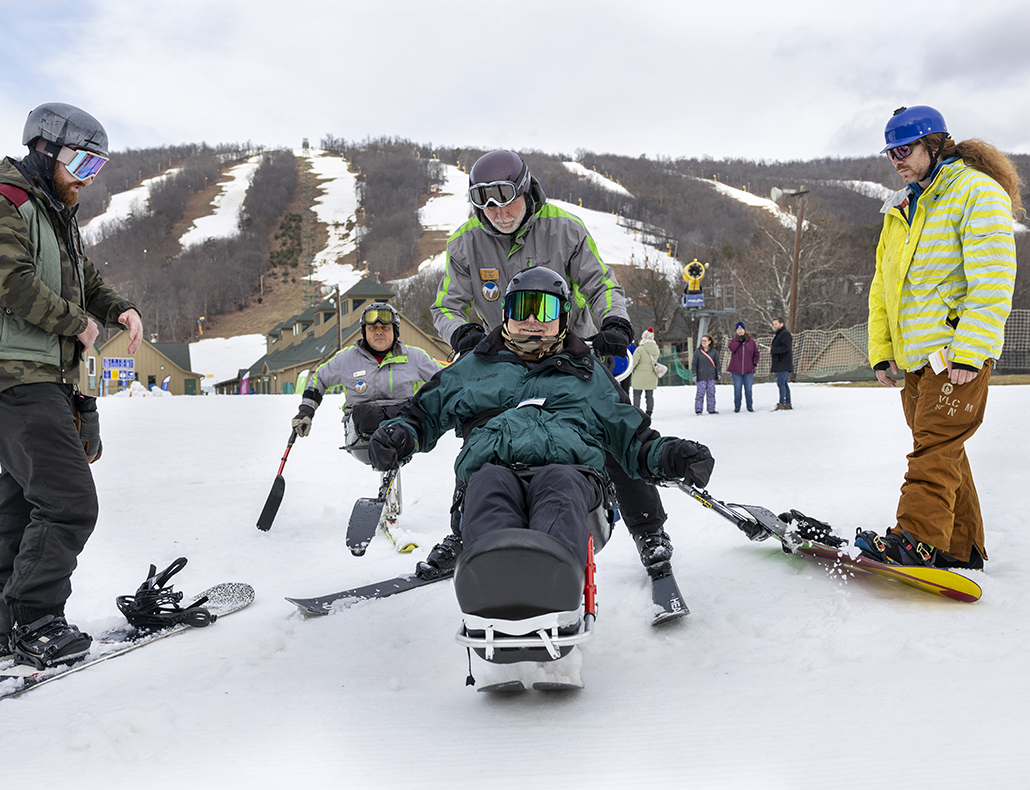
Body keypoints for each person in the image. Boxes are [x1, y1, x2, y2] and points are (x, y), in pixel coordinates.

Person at [371, 269, 713, 683]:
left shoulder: (587, 373)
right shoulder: (475, 366)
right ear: (505, 314)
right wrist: (400, 435)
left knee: (558, 486)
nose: (532, 320)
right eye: (521, 309)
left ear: (564, 316)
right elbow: (424, 413)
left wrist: (674, 456)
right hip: (491, 469)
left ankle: (558, 613)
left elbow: (634, 440)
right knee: (489, 486)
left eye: (544, 309)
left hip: (572, 475)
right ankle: (491, 613)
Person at [429, 149, 676, 581]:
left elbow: (601, 282)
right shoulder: (464, 243)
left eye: (507, 201)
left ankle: (648, 529)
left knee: (611, 425)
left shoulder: (565, 229)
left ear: (527, 191)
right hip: (505, 355)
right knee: (482, 432)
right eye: (486, 205)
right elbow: (445, 306)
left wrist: (614, 323)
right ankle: (467, 527)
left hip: (570, 350)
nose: (499, 213)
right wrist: (462, 335)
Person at [0, 102, 143, 667]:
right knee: (68, 503)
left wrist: (120, 310)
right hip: (13, 373)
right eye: (80, 166)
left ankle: (1, 622)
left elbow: (85, 282)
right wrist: (79, 324)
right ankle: (34, 618)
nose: (85, 181)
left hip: (43, 376)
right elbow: (12, 284)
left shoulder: (55, 216)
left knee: (24, 501)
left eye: (96, 170)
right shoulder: (0, 205)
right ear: (45, 151)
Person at [857, 104, 1024, 571]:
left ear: (935, 144)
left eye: (904, 149)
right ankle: (957, 545)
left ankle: (915, 538)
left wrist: (971, 351)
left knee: (932, 448)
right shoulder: (903, 207)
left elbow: (992, 278)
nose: (896, 160)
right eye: (890, 153)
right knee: (944, 449)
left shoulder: (976, 192)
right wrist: (883, 352)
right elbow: (883, 289)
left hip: (955, 353)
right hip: (916, 360)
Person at [290, 301, 442, 452]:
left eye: (385, 328)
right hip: (361, 434)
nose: (379, 332)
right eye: (372, 328)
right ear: (364, 331)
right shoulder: (347, 359)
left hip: (403, 425)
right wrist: (306, 411)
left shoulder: (414, 357)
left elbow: (446, 377)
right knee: (369, 416)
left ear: (395, 331)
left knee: (414, 412)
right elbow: (319, 379)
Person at [727, 322, 759, 412]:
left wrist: (754, 363)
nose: (740, 331)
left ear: (744, 330)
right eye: (738, 330)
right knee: (737, 389)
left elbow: (756, 353)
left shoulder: (751, 342)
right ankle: (737, 406)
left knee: (748, 389)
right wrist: (738, 341)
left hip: (748, 370)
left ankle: (750, 406)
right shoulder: (733, 341)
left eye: (741, 329)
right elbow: (732, 348)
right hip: (736, 370)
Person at [631, 327, 661, 415]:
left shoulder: (640, 349)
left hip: (639, 376)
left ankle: (637, 412)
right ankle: (649, 412)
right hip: (651, 375)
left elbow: (634, 362)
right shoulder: (656, 349)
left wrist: (631, 371)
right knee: (649, 396)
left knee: (637, 395)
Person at [692, 334, 720, 415]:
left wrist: (718, 373)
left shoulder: (714, 352)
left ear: (709, 342)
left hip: (711, 376)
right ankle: (698, 410)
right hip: (701, 376)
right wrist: (694, 374)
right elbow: (694, 364)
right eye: (702, 340)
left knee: (711, 393)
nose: (703, 342)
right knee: (700, 393)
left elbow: (717, 363)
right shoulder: (697, 352)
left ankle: (711, 409)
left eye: (705, 341)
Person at [770, 318, 793, 410]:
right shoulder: (781, 333)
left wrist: (773, 350)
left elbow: (785, 347)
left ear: (781, 324)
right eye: (774, 324)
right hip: (781, 362)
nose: (774, 326)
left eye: (776, 324)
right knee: (784, 383)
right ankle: (787, 402)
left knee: (781, 383)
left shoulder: (785, 334)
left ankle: (782, 403)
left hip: (783, 363)